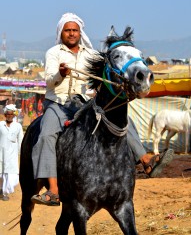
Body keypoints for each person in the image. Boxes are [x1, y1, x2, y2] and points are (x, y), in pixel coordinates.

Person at [31, 12, 174, 206]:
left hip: (85, 103)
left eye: (75, 30)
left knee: (123, 120)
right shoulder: (53, 53)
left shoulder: (91, 54)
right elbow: (49, 80)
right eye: (68, 30)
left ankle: (146, 160)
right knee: (47, 134)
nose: (72, 33)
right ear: (61, 32)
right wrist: (61, 73)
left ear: (80, 32)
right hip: (59, 104)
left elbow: (107, 76)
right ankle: (53, 189)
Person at [0, 104, 23, 201]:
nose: (9, 116)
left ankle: (5, 191)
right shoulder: (0, 125)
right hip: (1, 152)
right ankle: (1, 190)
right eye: (7, 114)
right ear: (5, 115)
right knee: (1, 173)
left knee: (10, 175)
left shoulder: (17, 126)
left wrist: (20, 153)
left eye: (11, 114)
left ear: (14, 115)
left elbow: (20, 140)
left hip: (12, 155)